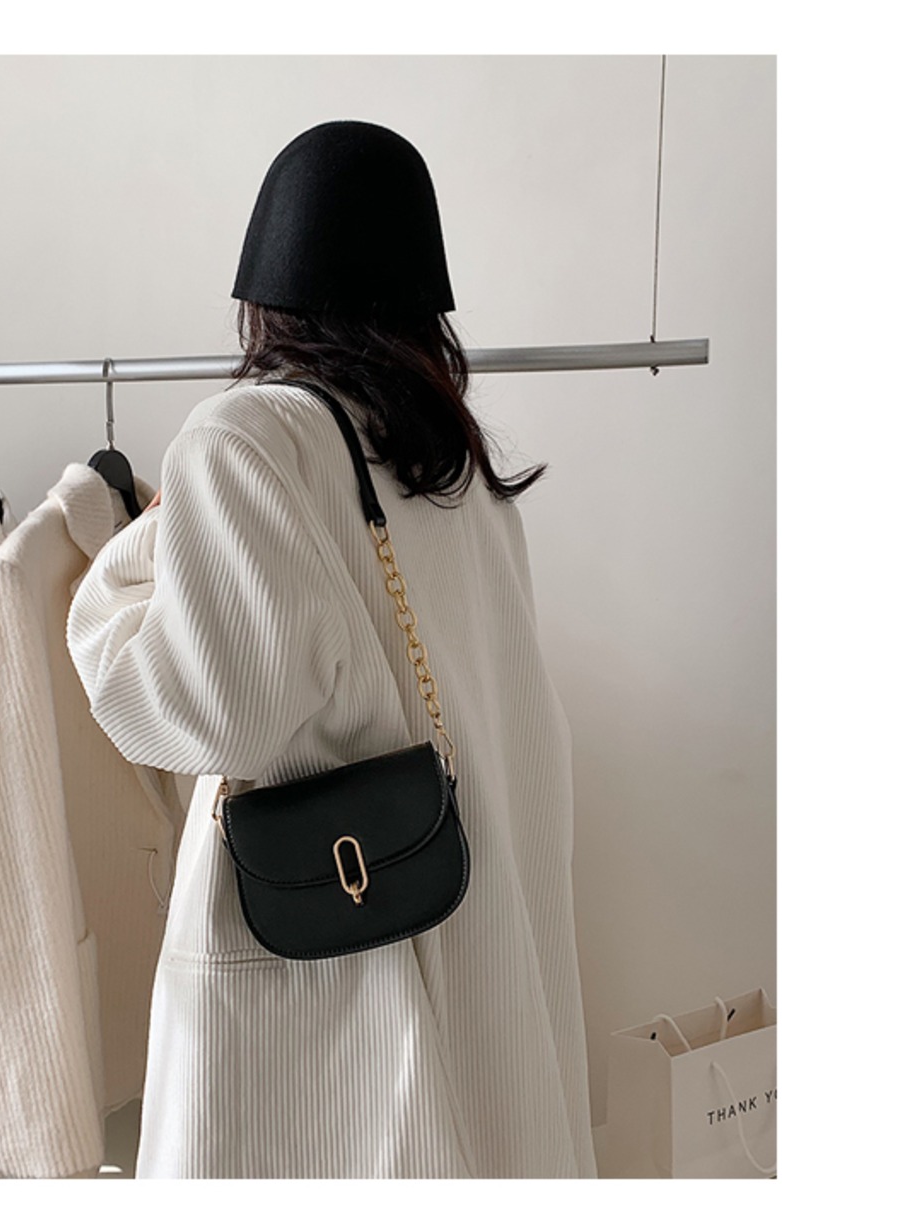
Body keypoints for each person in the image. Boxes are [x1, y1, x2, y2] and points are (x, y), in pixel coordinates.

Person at [66, 119, 596, 1178]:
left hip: (335, 990)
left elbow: (205, 708)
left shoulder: (245, 438)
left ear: (262, 295)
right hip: (485, 945)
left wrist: (126, 567)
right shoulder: (456, 470)